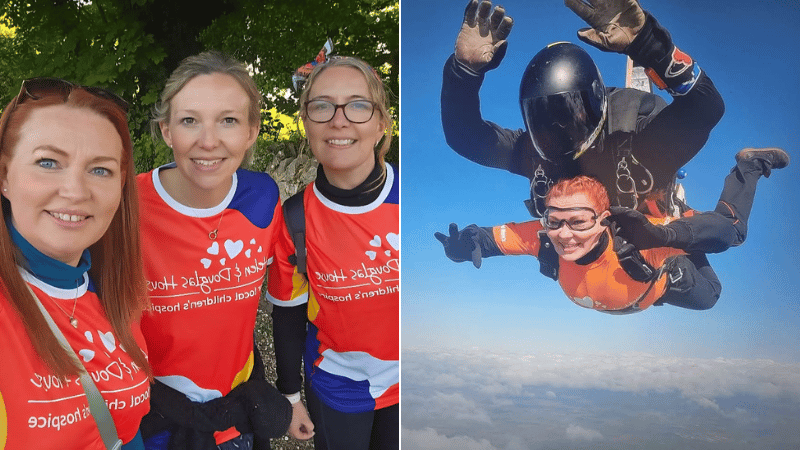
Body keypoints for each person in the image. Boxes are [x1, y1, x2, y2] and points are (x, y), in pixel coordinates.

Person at [136, 52, 302, 450]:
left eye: (228, 120)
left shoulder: (262, 196)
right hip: (152, 417)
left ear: (251, 131)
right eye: (189, 120)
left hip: (237, 412)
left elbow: (287, 296)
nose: (208, 141)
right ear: (166, 131)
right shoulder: (126, 203)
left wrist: (292, 397)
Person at [441, 0, 725, 217]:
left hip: (650, 232)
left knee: (701, 293)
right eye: (541, 119)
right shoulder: (537, 153)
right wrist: (463, 72)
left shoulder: (635, 142)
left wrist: (649, 45)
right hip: (591, 257)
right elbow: (465, 136)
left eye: (568, 113)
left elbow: (705, 108)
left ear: (595, 105)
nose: (557, 130)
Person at [435, 148, 789, 313]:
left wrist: (668, 236)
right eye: (554, 221)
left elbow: (727, 231)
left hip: (661, 264)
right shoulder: (544, 238)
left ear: (603, 220)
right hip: (638, 291)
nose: (564, 235)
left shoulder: (641, 238)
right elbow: (488, 238)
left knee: (711, 293)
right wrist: (463, 246)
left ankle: (748, 166)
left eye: (578, 222)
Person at [0, 77, 152, 448]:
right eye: (48, 162)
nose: (75, 191)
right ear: (5, 176)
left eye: (100, 170)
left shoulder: (114, 289)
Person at [267, 56, 399, 450]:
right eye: (322, 106)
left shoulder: (420, 198)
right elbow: (288, 315)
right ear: (306, 123)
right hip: (340, 385)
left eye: (358, 105)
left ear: (381, 124)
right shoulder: (293, 219)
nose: (339, 120)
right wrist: (290, 397)